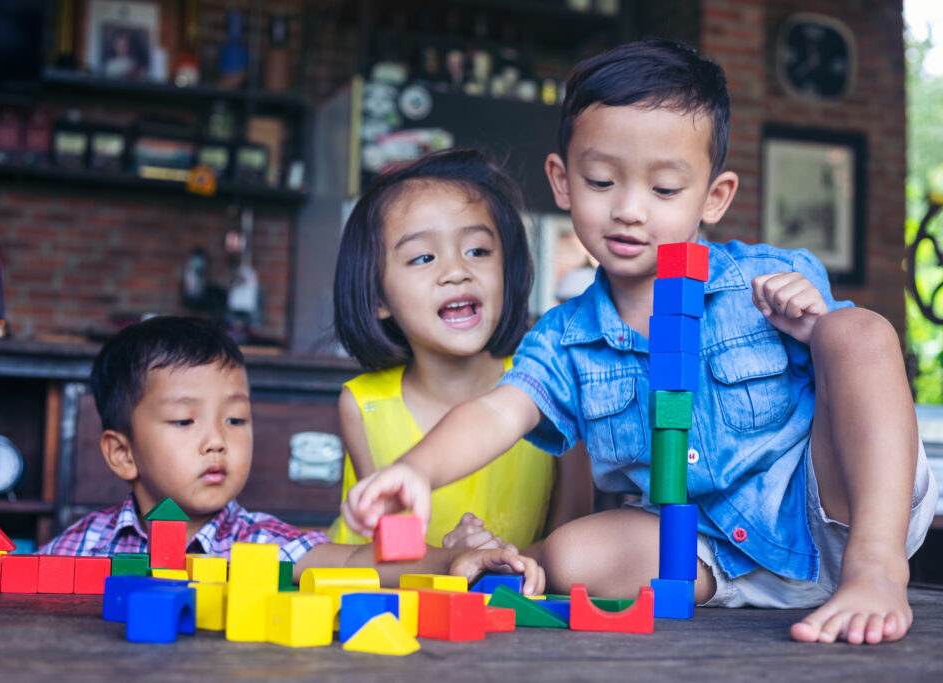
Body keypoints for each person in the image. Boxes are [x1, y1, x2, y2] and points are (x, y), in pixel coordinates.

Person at [341, 39, 939, 644]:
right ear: (563, 180)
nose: (629, 210)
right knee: (570, 558)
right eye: (601, 181)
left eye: (663, 190)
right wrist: (416, 469)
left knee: (859, 329)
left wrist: (814, 329)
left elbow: (856, 375)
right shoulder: (566, 340)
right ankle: (502, 563)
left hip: (830, 511)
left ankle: (877, 569)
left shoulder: (766, 280)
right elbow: (496, 412)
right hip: (699, 554)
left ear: (714, 197)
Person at [0, 316, 544, 592]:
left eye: (236, 419)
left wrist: (449, 562)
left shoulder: (264, 542)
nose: (217, 439)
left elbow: (361, 559)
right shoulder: (82, 545)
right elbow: (8, 582)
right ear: (121, 454)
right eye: (184, 420)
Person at [324, 148, 592, 552]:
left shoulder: (552, 385)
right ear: (377, 296)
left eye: (478, 251)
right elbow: (387, 551)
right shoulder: (364, 406)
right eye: (423, 257)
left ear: (509, 268)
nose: (456, 271)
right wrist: (453, 562)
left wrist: (498, 562)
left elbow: (572, 543)